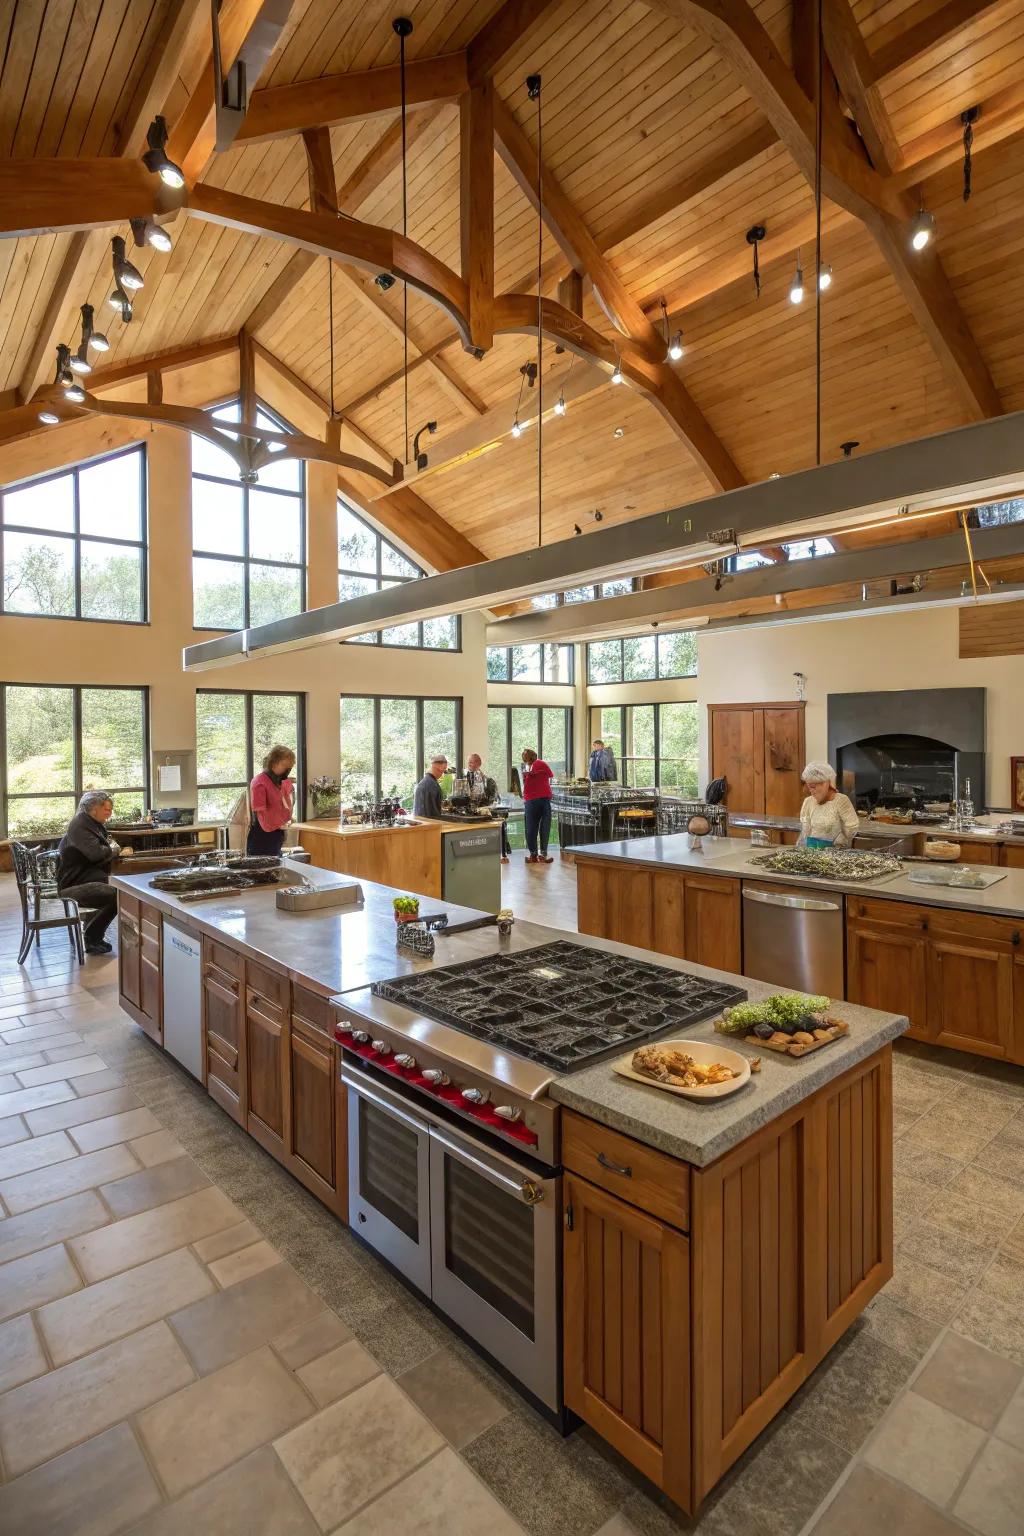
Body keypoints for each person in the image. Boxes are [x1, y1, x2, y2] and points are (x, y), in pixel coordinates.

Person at [56, 790, 120, 954]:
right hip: (72, 886)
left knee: (116, 889)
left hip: (83, 879)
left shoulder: (90, 823)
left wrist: (110, 848)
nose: (109, 813)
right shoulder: (80, 824)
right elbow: (97, 853)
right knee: (118, 894)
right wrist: (113, 849)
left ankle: (92, 935)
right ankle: (92, 938)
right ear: (94, 809)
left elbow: (102, 849)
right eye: (106, 809)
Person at [798, 761, 860, 848]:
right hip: (812, 852)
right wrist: (802, 848)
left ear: (825, 783)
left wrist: (836, 843)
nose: (811, 791)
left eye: (813, 787)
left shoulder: (841, 801)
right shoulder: (808, 802)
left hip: (836, 854)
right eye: (809, 787)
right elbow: (805, 831)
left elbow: (852, 828)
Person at [248, 745, 296, 856]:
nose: (287, 769)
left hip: (277, 833)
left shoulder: (281, 781)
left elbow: (285, 805)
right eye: (285, 765)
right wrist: (280, 823)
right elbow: (261, 813)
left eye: (290, 766)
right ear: (274, 763)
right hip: (263, 836)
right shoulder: (259, 782)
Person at [466, 752, 510, 863]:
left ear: (479, 764)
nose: (469, 764)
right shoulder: (464, 777)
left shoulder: (487, 781)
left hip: (483, 812)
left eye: (472, 762)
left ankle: (498, 854)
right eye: (469, 762)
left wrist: (482, 807)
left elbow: (491, 798)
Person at [521, 747, 554, 864]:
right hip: (544, 799)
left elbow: (548, 775)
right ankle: (543, 854)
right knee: (545, 827)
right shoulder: (540, 764)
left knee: (531, 828)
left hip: (532, 800)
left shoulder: (534, 764)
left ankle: (533, 855)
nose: (524, 759)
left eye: (525, 756)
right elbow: (550, 775)